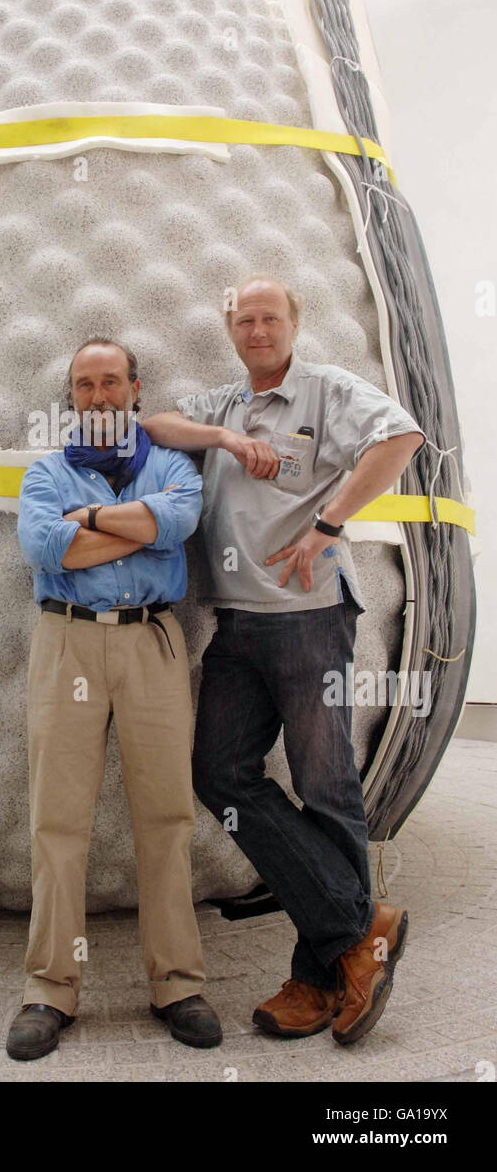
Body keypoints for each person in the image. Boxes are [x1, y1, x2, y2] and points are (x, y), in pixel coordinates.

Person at [142, 278, 426, 1045]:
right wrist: (227, 440)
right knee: (220, 774)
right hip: (236, 624)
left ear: (293, 325)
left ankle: (317, 976)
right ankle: (359, 928)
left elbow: (400, 439)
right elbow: (153, 421)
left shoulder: (328, 391)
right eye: (244, 319)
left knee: (325, 787)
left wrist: (328, 524)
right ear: (230, 330)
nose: (257, 328)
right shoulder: (222, 406)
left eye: (270, 317)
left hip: (308, 622)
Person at [6, 337, 223, 1061]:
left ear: (135, 389)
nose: (97, 396)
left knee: (165, 814)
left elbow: (179, 525)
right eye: (83, 385)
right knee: (57, 821)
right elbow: (45, 548)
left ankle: (176, 983)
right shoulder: (44, 471)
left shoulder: (170, 467)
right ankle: (50, 989)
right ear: (72, 398)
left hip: (150, 646)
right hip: (65, 643)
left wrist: (88, 525)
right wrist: (136, 527)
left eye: (109, 382)